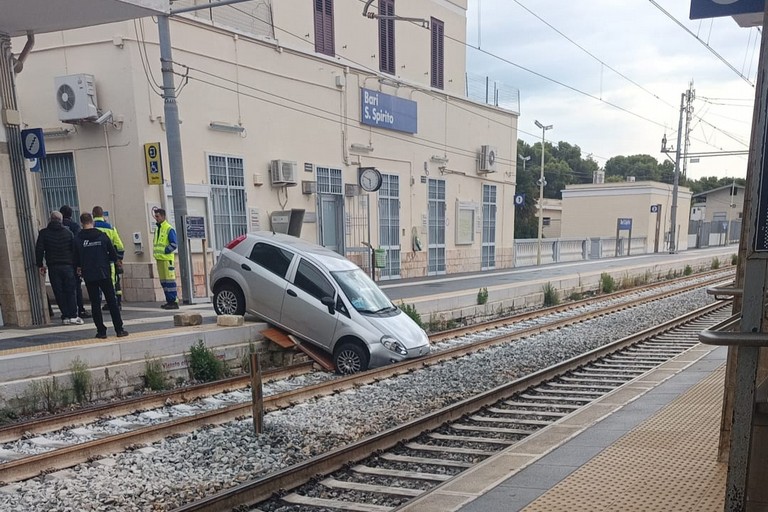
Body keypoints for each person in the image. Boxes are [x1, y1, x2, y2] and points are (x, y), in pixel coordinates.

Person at [74, 213, 128, 339]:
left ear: (81, 222)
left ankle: (101, 331)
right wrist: (114, 261)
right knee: (112, 301)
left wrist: (79, 268)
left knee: (95, 303)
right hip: (104, 272)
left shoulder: (78, 239)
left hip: (89, 274)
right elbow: (113, 254)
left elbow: (75, 259)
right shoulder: (102, 236)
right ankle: (119, 329)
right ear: (91, 221)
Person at [35, 211, 81, 325]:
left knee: (59, 291)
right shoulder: (68, 233)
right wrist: (77, 265)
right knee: (70, 291)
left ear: (50, 219)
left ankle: (65, 316)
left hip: (53, 266)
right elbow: (74, 250)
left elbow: (39, 249)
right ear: (61, 220)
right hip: (68, 266)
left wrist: (40, 264)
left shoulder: (44, 233)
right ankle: (73, 315)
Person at [59, 205, 91, 319]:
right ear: (71, 214)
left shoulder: (58, 227)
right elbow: (79, 244)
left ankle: (67, 311)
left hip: (59, 261)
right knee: (76, 287)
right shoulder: (74, 226)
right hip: (72, 262)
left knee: (61, 288)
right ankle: (80, 309)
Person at [92, 206, 125, 310]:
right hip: (109, 260)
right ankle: (116, 303)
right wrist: (119, 258)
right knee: (113, 282)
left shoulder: (91, 227)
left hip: (94, 261)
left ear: (93, 214)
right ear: (102, 215)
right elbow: (119, 245)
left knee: (96, 283)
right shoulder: (110, 227)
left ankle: (100, 305)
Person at [153, 208, 179, 309]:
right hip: (160, 259)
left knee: (170, 281)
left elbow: (174, 244)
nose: (156, 218)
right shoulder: (157, 228)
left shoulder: (169, 228)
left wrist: (165, 250)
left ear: (163, 216)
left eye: (158, 216)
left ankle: (173, 301)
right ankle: (169, 301)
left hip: (167, 259)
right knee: (164, 282)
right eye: (156, 216)